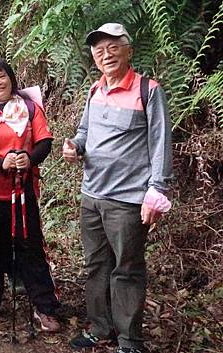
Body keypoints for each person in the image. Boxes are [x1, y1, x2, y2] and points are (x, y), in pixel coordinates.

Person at [64, 23, 172, 353]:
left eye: (113, 47)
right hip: (92, 195)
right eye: (99, 49)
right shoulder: (95, 91)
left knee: (126, 269)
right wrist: (76, 147)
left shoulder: (148, 90)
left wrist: (157, 190)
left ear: (129, 51)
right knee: (96, 266)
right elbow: (84, 132)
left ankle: (129, 341)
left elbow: (160, 144)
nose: (106, 54)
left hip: (127, 201)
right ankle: (100, 328)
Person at [0, 58, 60, 332]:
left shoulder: (29, 108)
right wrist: (1, 163)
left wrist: (28, 160)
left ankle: (45, 308)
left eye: (1, 76)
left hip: (22, 191)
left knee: (31, 249)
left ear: (11, 78)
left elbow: (45, 142)